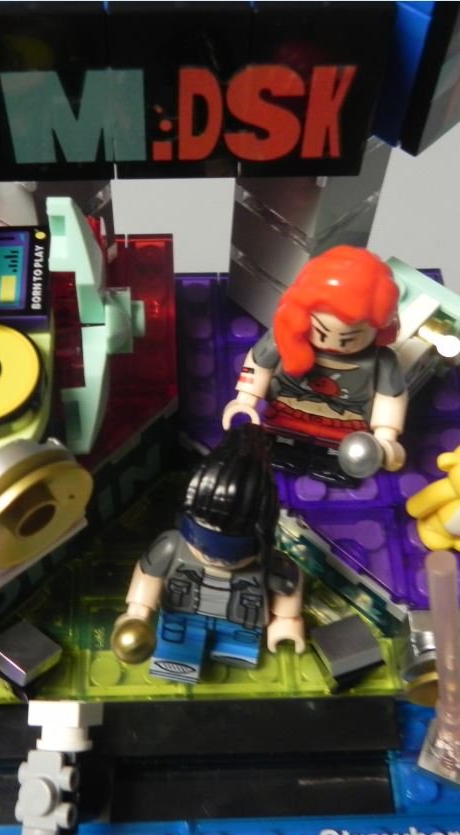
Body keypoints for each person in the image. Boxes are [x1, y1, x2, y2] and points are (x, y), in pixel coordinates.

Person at [111, 426, 304, 684]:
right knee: (176, 656)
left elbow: (288, 584)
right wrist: (138, 610)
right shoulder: (171, 546)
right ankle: (179, 664)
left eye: (232, 554)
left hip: (239, 623)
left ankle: (231, 653)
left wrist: (287, 621)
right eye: (203, 545)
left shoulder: (266, 561)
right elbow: (148, 575)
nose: (215, 558)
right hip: (182, 616)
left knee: (237, 651)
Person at [222, 246, 407, 474]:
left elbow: (390, 398)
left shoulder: (382, 360)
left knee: (337, 452)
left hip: (346, 422)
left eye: (348, 339)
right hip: (287, 410)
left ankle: (334, 464)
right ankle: (282, 450)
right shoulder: (284, 338)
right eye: (321, 333)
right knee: (282, 441)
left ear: (378, 328)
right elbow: (258, 365)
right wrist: (245, 400)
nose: (332, 344)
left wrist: (385, 435)